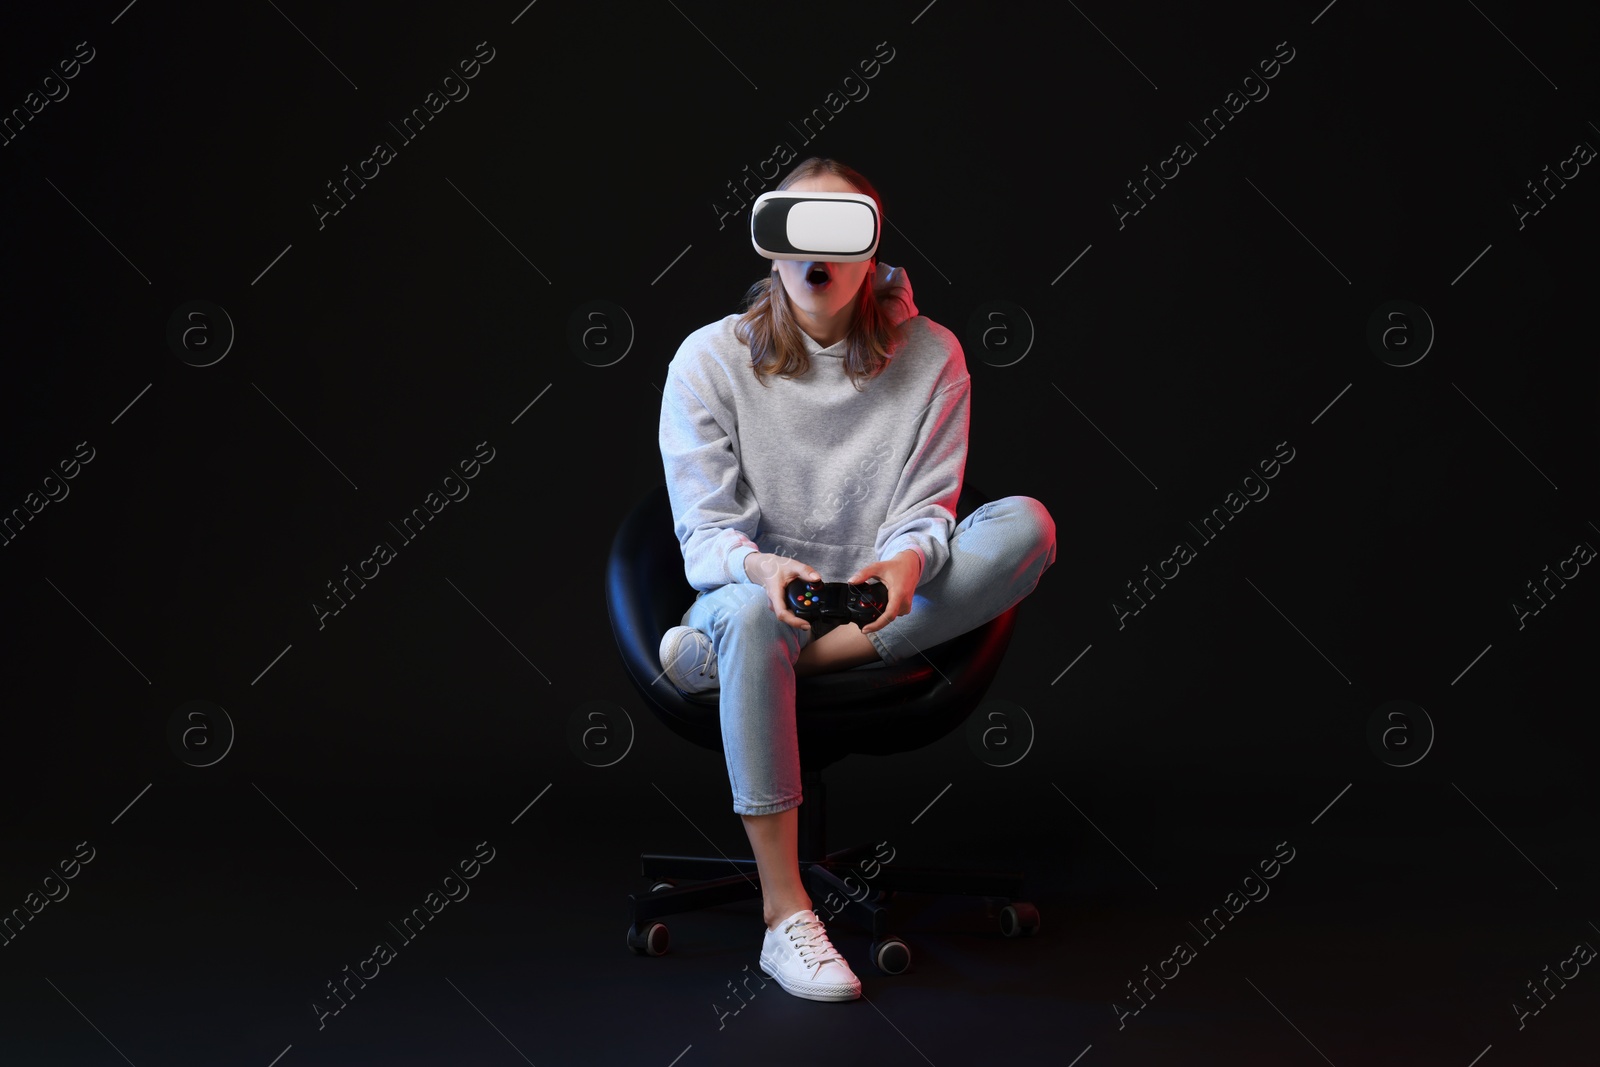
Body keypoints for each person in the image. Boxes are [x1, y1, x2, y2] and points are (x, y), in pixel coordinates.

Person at [656, 157, 1057, 1003]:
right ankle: (784, 913)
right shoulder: (706, 360)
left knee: (1028, 525)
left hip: (873, 606)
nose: (817, 260)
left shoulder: (935, 356)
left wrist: (905, 564)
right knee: (754, 624)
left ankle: (751, 665)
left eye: (841, 235)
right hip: (756, 596)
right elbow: (706, 535)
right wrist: (761, 569)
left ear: (873, 249)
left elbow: (928, 511)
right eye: (797, 234)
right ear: (771, 246)